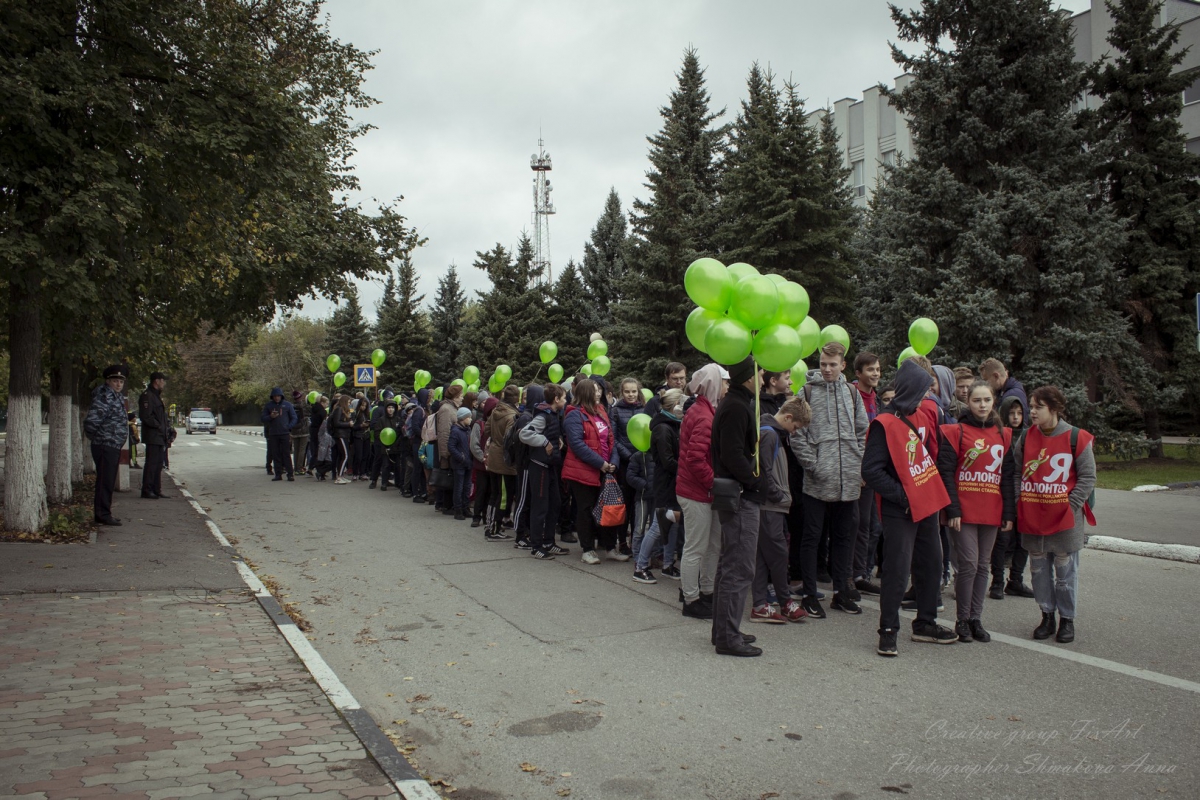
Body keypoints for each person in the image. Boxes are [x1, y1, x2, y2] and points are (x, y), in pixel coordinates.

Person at [861, 359, 957, 657]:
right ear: (909, 390)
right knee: (897, 571)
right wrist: (904, 496)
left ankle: (925, 623)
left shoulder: (921, 416)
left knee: (931, 563)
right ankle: (888, 631)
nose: (925, 397)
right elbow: (871, 471)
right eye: (921, 392)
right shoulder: (884, 424)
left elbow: (926, 459)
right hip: (899, 508)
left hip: (925, 503)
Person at [791, 342, 868, 618]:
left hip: (847, 481)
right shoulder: (807, 392)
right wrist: (814, 465)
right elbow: (796, 434)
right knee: (812, 538)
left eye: (832, 364)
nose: (827, 369)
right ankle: (810, 595)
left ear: (843, 366)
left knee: (843, 538)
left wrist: (857, 465)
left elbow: (862, 431)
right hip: (816, 481)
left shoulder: (852, 393)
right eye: (823, 363)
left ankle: (841, 593)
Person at [1015, 386, 1096, 645]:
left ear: (1054, 409)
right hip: (1033, 516)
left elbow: (1088, 477)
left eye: (1038, 407)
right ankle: (1046, 615)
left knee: (1065, 572)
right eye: (1032, 406)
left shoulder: (1077, 438)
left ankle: (1067, 620)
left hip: (1064, 520)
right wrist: (1020, 500)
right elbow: (1017, 472)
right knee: (1038, 571)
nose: (1032, 411)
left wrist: (1069, 506)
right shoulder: (1027, 438)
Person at [937, 380, 1016, 643]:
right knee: (969, 564)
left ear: (993, 402)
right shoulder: (955, 431)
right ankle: (961, 619)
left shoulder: (1004, 435)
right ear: (967, 402)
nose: (982, 405)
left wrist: (1008, 513)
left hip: (991, 509)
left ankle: (976, 619)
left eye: (987, 400)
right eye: (976, 400)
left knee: (983, 565)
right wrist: (953, 509)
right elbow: (946, 473)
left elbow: (1006, 477)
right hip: (964, 510)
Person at [710, 356, 763, 657]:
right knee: (738, 568)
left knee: (730, 566)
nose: (764, 377)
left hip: (740, 493)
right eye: (760, 373)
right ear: (748, 377)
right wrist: (756, 481)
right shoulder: (736, 406)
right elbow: (732, 454)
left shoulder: (737, 403)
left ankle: (724, 631)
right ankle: (727, 637)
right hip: (740, 496)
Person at [750, 397, 812, 624]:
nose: (794, 432)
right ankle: (785, 601)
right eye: (795, 427)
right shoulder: (770, 434)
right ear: (788, 417)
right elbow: (764, 472)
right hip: (770, 505)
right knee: (777, 555)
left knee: (762, 557)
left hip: (769, 504)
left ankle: (759, 604)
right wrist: (779, 495)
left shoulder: (769, 431)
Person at [676, 363, 727, 619]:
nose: (727, 387)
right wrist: (713, 484)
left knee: (711, 545)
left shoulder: (705, 410)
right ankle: (691, 598)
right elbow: (695, 459)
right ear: (715, 384)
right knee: (696, 547)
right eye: (725, 382)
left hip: (701, 490)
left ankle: (705, 592)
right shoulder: (704, 416)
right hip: (696, 492)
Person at [562, 378, 620, 564]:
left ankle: (610, 547)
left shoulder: (601, 410)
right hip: (583, 471)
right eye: (595, 390)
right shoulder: (574, 415)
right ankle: (587, 549)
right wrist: (601, 463)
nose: (599, 393)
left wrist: (613, 462)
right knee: (586, 510)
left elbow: (611, 439)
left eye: (599, 390)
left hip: (605, 469)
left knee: (608, 507)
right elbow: (577, 445)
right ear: (585, 392)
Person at [634, 388, 685, 582]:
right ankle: (640, 566)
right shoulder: (663, 428)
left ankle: (667, 564)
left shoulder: (672, 425)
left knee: (672, 524)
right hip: (665, 484)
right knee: (658, 525)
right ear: (673, 406)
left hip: (673, 483)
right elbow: (668, 461)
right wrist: (686, 469)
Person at [519, 383, 571, 559]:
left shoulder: (554, 414)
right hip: (539, 466)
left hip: (550, 466)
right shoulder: (543, 415)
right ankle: (536, 546)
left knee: (554, 504)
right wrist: (544, 441)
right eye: (563, 397)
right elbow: (524, 434)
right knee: (540, 507)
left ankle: (549, 541)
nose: (565, 400)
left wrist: (556, 439)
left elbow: (550, 431)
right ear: (556, 399)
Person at [990, 395, 1034, 600]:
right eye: (1011, 413)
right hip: (1003, 490)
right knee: (1002, 539)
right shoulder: (1000, 434)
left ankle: (1015, 580)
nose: (1016, 417)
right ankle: (997, 581)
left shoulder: (1029, 435)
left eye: (1019, 413)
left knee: (1023, 540)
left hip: (1026, 492)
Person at [851, 352, 882, 596]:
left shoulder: (876, 399)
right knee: (858, 523)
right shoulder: (851, 396)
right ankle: (853, 573)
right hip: (857, 470)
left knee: (872, 525)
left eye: (878, 370)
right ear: (858, 373)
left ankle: (862, 571)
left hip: (872, 469)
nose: (875, 374)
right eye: (870, 370)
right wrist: (858, 468)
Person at [84, 366, 129, 525]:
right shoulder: (105, 396)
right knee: (105, 481)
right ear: (108, 381)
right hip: (105, 444)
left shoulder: (115, 396)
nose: (118, 384)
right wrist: (99, 437)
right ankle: (102, 514)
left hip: (111, 444)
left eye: (121, 381)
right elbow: (92, 421)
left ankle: (104, 513)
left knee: (108, 481)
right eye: (115, 381)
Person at [611, 377, 645, 556]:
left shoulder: (644, 409)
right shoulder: (616, 411)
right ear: (621, 392)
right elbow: (614, 438)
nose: (631, 395)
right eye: (627, 391)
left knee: (638, 504)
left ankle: (636, 541)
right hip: (626, 463)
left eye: (633, 391)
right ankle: (622, 541)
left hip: (642, 463)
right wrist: (629, 456)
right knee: (625, 503)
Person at [484, 385, 520, 541]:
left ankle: (490, 525)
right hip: (504, 461)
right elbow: (510, 440)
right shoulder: (512, 416)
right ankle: (494, 529)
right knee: (504, 496)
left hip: (493, 456)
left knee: (495, 494)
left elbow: (486, 430)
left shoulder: (495, 411)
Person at [138, 371, 169, 498]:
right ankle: (147, 489)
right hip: (153, 435)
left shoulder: (155, 395)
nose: (164, 383)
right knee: (151, 463)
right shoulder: (148, 396)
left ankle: (156, 489)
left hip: (159, 435)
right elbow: (146, 416)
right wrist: (159, 426)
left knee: (158, 463)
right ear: (157, 381)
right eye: (163, 380)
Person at [435, 384, 465, 513]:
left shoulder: (453, 408)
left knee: (451, 478)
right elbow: (444, 432)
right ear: (455, 397)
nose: (462, 398)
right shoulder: (447, 409)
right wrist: (445, 453)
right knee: (446, 477)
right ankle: (445, 505)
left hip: (453, 450)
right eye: (461, 396)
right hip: (448, 451)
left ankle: (447, 504)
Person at [470, 398, 498, 527]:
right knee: (481, 491)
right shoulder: (479, 424)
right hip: (482, 464)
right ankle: (476, 516)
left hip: (493, 465)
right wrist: (483, 458)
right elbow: (474, 444)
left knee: (490, 492)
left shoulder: (497, 424)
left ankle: (487, 516)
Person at [261, 387, 298, 482]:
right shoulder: (269, 406)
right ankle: (278, 474)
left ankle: (290, 474)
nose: (277, 398)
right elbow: (263, 418)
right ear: (272, 397)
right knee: (275, 454)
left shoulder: (287, 405)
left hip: (285, 433)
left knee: (286, 454)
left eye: (278, 396)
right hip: (273, 433)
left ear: (281, 396)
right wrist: (270, 416)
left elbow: (294, 417)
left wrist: (289, 426)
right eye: (275, 396)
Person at [449, 406, 474, 519]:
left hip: (468, 463)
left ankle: (466, 507)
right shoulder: (455, 430)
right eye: (468, 417)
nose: (470, 419)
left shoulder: (468, 430)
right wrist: (461, 458)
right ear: (463, 418)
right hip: (459, 463)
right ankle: (458, 510)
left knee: (467, 486)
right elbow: (451, 447)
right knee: (459, 487)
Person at [407, 389, 430, 500]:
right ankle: (415, 493)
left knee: (422, 467)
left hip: (422, 443)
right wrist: (424, 435)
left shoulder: (424, 409)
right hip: (418, 443)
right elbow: (415, 427)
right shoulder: (418, 410)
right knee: (417, 468)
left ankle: (423, 492)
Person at [329, 395, 354, 485]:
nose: (349, 404)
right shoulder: (339, 409)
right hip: (340, 435)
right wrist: (348, 424)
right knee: (346, 455)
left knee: (342, 455)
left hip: (344, 434)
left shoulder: (342, 410)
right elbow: (336, 423)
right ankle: (339, 477)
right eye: (348, 403)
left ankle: (341, 475)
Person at [290, 391, 310, 476]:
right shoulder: (303, 406)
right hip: (303, 430)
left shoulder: (291, 406)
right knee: (302, 450)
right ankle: (299, 467)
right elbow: (307, 416)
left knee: (296, 450)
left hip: (294, 430)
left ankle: (296, 468)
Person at [308, 395, 328, 475]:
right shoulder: (322, 412)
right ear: (322, 402)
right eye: (326, 403)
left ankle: (311, 467)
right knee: (320, 451)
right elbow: (324, 423)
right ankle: (319, 469)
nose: (327, 405)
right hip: (320, 432)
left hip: (313, 431)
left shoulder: (314, 409)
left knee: (315, 450)